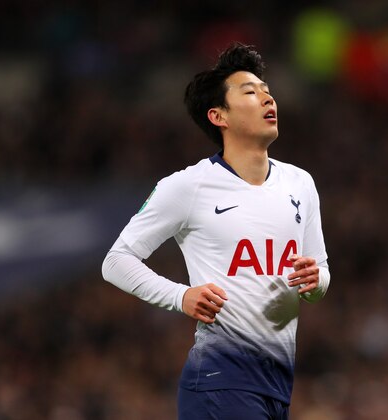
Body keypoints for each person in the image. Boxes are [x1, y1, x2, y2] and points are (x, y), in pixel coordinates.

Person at [102, 43, 330, 419]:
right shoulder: (188, 186)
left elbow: (320, 276)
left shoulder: (300, 183)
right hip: (220, 382)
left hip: (277, 385)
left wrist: (315, 279)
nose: (266, 97)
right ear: (218, 115)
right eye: (250, 91)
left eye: (267, 89)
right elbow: (116, 260)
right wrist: (180, 296)